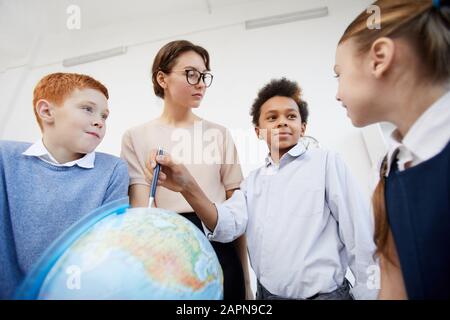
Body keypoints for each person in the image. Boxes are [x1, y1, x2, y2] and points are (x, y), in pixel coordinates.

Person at [145, 78, 379, 300]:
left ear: (303, 127)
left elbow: (358, 228)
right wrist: (187, 185)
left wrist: (370, 293)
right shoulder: (253, 182)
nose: (282, 122)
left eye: (291, 116)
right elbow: (226, 225)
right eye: (272, 117)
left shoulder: (326, 162)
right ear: (258, 131)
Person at [334, 0, 450, 299]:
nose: (337, 94)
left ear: (379, 59)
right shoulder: (390, 170)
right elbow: (394, 282)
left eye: (339, 74)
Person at [120, 40, 250, 299]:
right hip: (167, 253)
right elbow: (142, 215)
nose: (201, 82)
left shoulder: (219, 135)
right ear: (162, 78)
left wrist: (246, 283)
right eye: (191, 74)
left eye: (204, 75)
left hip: (219, 248)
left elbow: (237, 214)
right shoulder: (135, 137)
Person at [0, 72, 129, 299]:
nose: (99, 121)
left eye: (104, 116)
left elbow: (109, 247)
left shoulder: (113, 169)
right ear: (47, 111)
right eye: (88, 109)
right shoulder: (4, 158)